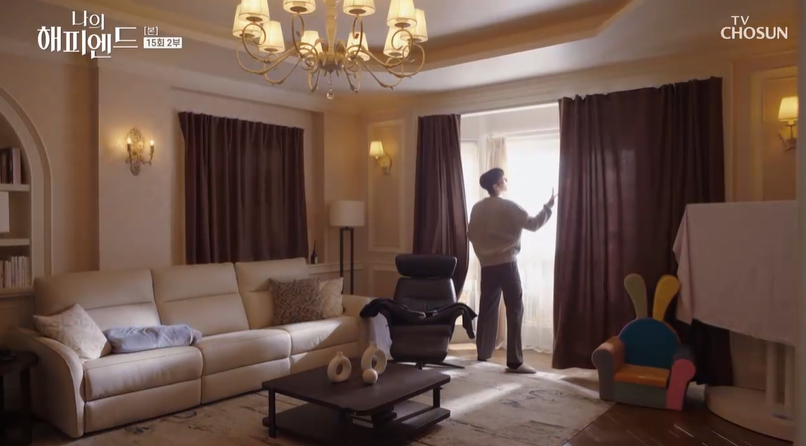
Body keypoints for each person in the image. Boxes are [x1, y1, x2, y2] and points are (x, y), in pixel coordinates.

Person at [467, 167, 556, 374]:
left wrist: (484, 252)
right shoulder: (508, 206)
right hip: (507, 264)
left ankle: (483, 353)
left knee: (487, 309)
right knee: (515, 309)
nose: (506, 180)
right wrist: (548, 207)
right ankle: (515, 362)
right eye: (503, 179)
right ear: (497, 186)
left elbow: (470, 234)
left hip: (486, 266)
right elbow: (533, 224)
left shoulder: (477, 208)